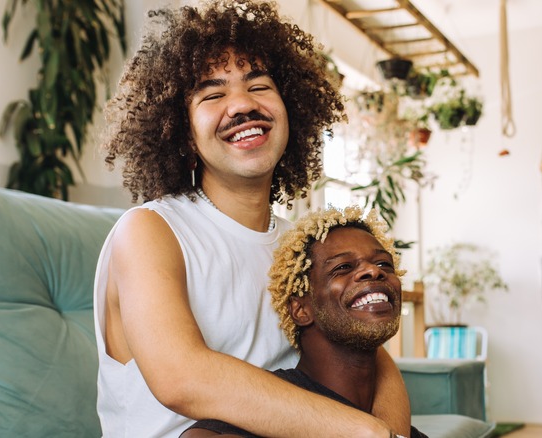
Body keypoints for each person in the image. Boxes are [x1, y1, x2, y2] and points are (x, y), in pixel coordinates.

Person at [94, 0, 411, 436]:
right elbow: (182, 379)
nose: (242, 105)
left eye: (259, 86)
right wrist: (364, 432)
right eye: (213, 94)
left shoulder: (301, 249)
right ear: (183, 132)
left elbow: (374, 359)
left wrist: (389, 432)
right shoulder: (150, 231)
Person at [181, 206, 428, 438]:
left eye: (384, 263)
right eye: (343, 267)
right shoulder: (259, 411)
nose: (374, 271)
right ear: (300, 310)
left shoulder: (395, 427)